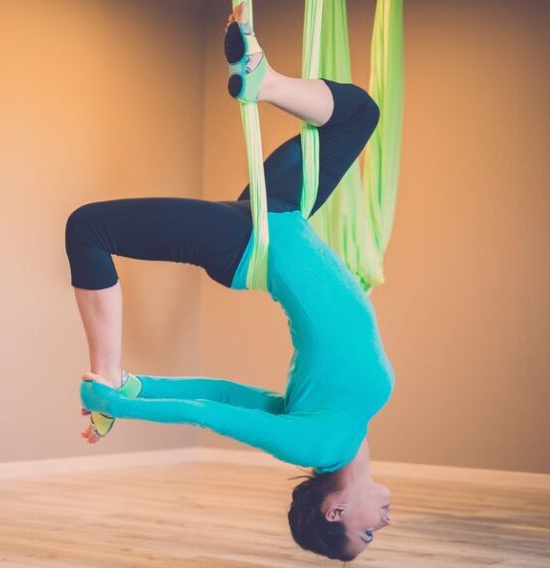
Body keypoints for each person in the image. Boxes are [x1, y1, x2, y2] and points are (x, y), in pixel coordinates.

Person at [64, 3, 393, 561]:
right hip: (279, 217)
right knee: (358, 114)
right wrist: (147, 388)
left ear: (334, 511)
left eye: (364, 534)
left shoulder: (322, 441)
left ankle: (107, 373)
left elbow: (209, 412)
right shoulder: (335, 430)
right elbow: (221, 392)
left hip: (252, 245)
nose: (381, 526)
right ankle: (264, 81)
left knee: (88, 228)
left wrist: (118, 399)